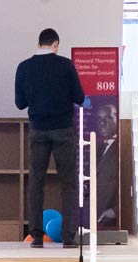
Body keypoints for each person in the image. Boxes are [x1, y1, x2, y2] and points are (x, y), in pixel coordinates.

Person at [14, 27, 85, 246]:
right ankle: (69, 237)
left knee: (36, 181)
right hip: (63, 130)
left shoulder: (24, 68)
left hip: (38, 130)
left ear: (39, 43)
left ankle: (36, 236)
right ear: (55, 45)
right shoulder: (65, 65)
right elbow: (80, 97)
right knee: (68, 183)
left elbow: (20, 103)